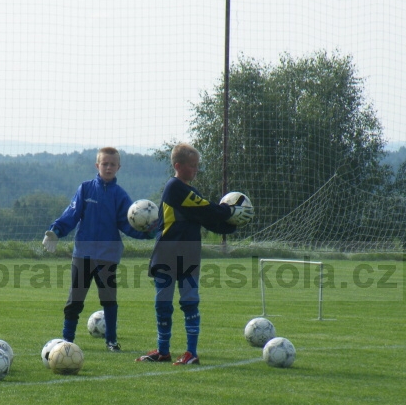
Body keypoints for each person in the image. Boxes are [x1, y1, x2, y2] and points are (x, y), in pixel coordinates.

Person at [136, 142, 252, 365]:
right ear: (178, 166)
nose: (196, 170)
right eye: (192, 166)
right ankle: (163, 350)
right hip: (166, 253)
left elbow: (208, 220)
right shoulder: (175, 188)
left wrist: (233, 225)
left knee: (189, 302)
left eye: (197, 166)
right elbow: (209, 210)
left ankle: (191, 352)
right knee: (162, 303)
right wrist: (230, 210)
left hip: (188, 255)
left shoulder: (190, 191)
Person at [42, 146, 155, 351]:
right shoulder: (85, 189)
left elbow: (128, 223)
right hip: (82, 256)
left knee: (109, 300)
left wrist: (148, 233)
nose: (108, 167)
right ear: (97, 165)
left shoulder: (120, 195)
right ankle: (67, 340)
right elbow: (72, 214)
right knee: (75, 299)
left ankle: (111, 341)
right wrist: (56, 231)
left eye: (112, 164)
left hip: (108, 257)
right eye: (105, 163)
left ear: (118, 167)